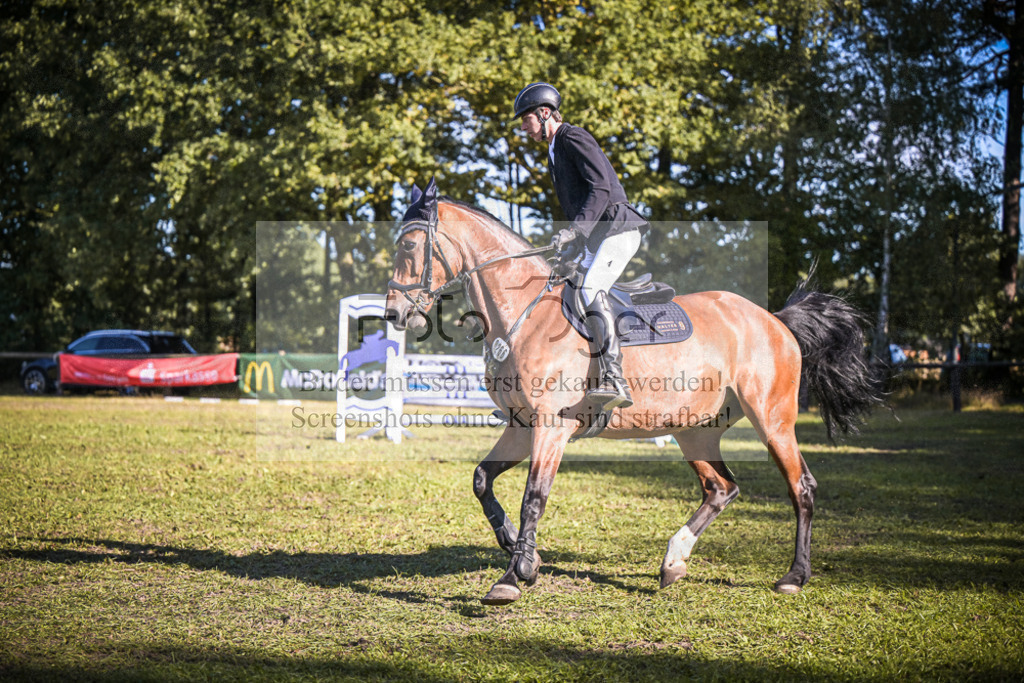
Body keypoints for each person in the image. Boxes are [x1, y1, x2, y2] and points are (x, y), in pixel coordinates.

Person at [514, 82, 649, 410]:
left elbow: (601, 188)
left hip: (617, 230)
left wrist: (575, 231)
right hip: (597, 236)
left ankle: (615, 378)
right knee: (562, 289)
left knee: (588, 290)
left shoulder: (573, 137)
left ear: (544, 113)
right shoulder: (554, 149)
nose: (523, 127)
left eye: (526, 119)